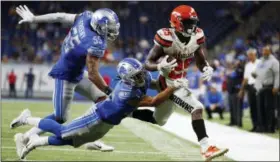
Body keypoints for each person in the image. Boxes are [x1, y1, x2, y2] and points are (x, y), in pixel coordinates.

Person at [10, 58, 185, 160]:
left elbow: (153, 83)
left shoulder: (143, 75)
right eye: (136, 76)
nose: (141, 76)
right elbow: (153, 101)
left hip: (107, 124)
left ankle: (35, 142)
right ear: (127, 79)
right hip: (96, 118)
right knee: (63, 131)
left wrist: (165, 75)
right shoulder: (125, 92)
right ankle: (26, 118)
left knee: (74, 142)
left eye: (140, 73)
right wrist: (173, 87)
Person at [11, 5, 120, 155]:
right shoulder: (95, 41)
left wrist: (35, 18)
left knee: (102, 100)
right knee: (60, 117)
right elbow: (94, 74)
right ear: (99, 26)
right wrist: (109, 90)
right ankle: (25, 131)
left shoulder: (86, 17)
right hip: (66, 75)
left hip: (77, 70)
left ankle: (91, 140)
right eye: (109, 28)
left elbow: (60, 16)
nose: (112, 31)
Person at [131, 5, 228, 161]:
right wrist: (159, 66)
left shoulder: (197, 36)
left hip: (181, 82)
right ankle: (206, 148)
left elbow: (200, 60)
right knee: (197, 108)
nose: (192, 26)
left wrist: (206, 67)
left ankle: (126, 111)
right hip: (168, 84)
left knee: (159, 120)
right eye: (188, 22)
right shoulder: (166, 37)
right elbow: (147, 62)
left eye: (193, 22)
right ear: (177, 22)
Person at [254, 46, 279, 133]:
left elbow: (277, 75)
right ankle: (263, 127)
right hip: (261, 87)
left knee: (269, 108)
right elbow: (257, 72)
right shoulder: (261, 61)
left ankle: (270, 127)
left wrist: (276, 86)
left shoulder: (274, 62)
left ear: (270, 51)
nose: (263, 52)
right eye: (263, 50)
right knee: (261, 108)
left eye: (266, 51)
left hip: (270, 87)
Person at [238, 48, 260, 132]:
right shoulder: (247, 65)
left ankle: (260, 125)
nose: (250, 57)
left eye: (251, 55)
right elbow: (245, 79)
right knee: (252, 107)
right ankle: (254, 125)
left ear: (255, 54)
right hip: (250, 87)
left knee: (259, 106)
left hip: (258, 85)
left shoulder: (260, 63)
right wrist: (241, 90)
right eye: (249, 55)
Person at [227, 55, 245, 127]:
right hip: (231, 90)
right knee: (232, 107)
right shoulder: (235, 69)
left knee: (238, 107)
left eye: (238, 61)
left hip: (237, 90)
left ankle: (239, 122)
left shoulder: (241, 69)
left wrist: (240, 88)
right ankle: (233, 121)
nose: (236, 62)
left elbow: (242, 77)